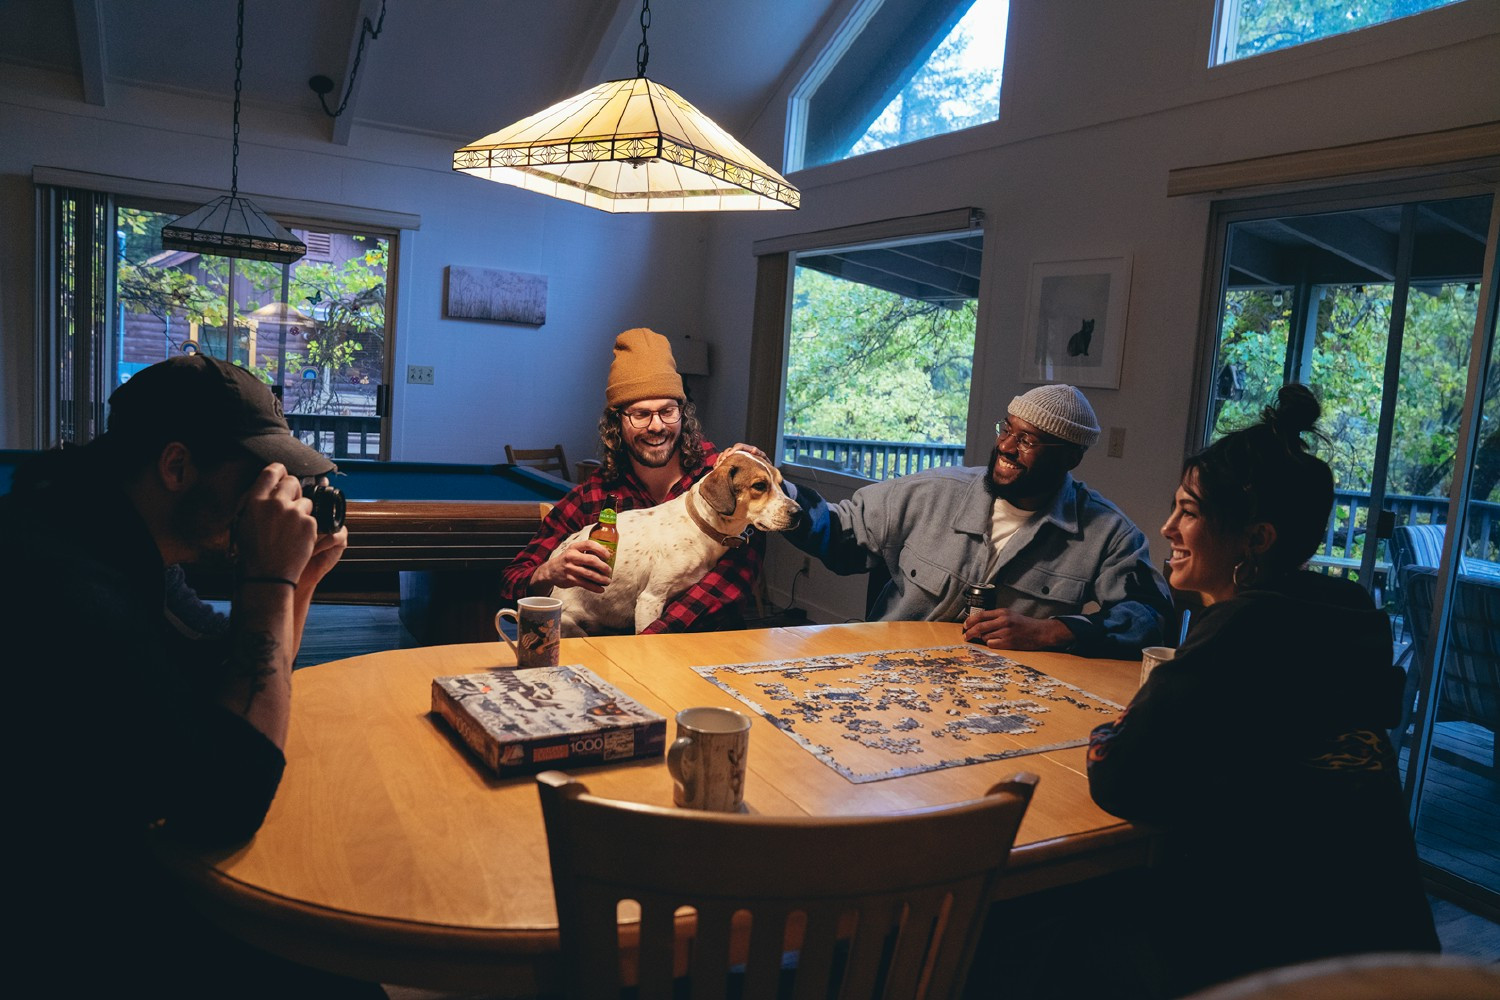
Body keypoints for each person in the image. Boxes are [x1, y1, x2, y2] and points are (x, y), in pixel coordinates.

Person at [1, 355, 380, 996]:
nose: (273, 496)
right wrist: (268, 577)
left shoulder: (112, 531)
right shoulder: (71, 586)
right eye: (260, 476)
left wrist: (298, 580)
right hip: (70, 923)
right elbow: (232, 794)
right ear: (177, 467)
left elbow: (228, 669)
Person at [1086, 385, 1438, 996]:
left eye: (1189, 511)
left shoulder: (1241, 629)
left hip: (1280, 965)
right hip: (1390, 957)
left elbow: (1120, 777)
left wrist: (1107, 732)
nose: (1167, 525)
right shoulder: (1346, 610)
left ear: (1258, 539)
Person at [780, 383, 1170, 658]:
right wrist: (777, 494)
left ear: (1070, 458)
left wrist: (1050, 631)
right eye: (1007, 429)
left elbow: (1150, 618)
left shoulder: (1108, 533)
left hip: (1010, 704)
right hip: (891, 677)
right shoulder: (933, 491)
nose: (1004, 446)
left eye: (1027, 441)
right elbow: (839, 530)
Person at [500, 327, 761, 632]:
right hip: (611, 652)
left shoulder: (723, 481)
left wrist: (642, 648)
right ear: (616, 423)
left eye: (667, 411)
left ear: (683, 415)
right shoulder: (594, 496)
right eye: (640, 414)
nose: (656, 426)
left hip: (705, 646)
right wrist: (548, 573)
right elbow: (512, 579)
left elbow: (727, 583)